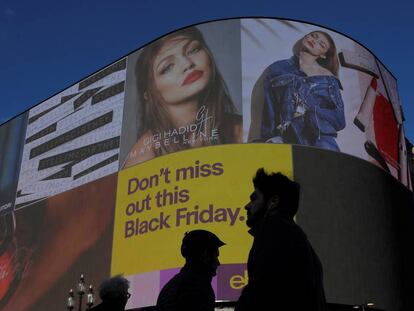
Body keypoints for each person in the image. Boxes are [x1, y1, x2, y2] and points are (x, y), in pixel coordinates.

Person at [123, 26, 242, 168]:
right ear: (148, 95)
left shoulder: (240, 129)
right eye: (167, 67)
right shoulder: (144, 156)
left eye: (193, 50)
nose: (188, 64)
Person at [235, 168, 326, 311]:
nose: (247, 206)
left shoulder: (273, 229)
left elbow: (260, 290)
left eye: (254, 198)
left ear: (273, 202)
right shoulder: (296, 237)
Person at [261, 31, 345, 151]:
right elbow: (269, 107)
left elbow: (339, 119)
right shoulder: (277, 68)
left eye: (321, 44)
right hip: (287, 141)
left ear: (323, 55)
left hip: (321, 141)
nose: (314, 41)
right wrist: (272, 136)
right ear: (305, 37)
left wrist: (310, 114)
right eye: (313, 36)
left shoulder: (328, 78)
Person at [156, 230, 225, 311]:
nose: (218, 263)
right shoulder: (198, 289)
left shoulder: (172, 286)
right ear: (205, 255)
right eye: (216, 256)